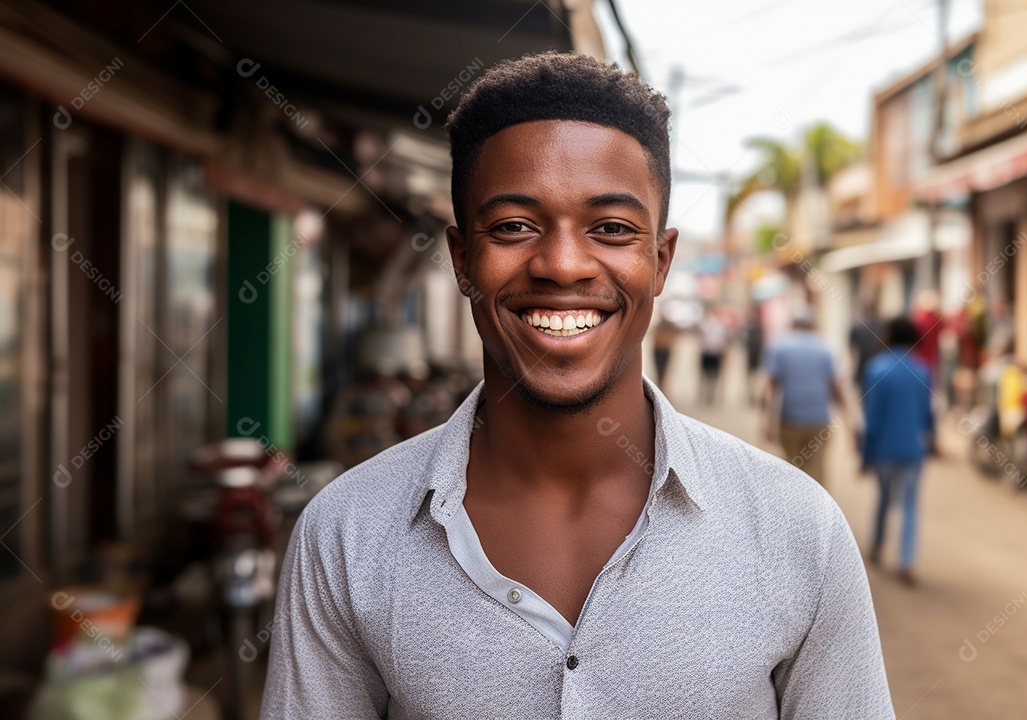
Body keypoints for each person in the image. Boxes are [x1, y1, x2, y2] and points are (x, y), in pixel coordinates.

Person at [260, 53, 893, 719]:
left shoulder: (799, 532)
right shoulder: (345, 536)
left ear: (661, 259)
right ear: (462, 258)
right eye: (513, 226)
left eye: (612, 229)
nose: (562, 264)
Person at [861, 317, 935, 587]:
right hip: (913, 449)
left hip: (883, 449)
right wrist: (932, 440)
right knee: (909, 505)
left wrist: (865, 455)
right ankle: (907, 561)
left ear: (889, 336)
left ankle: (878, 546)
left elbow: (872, 419)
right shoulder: (924, 369)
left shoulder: (875, 369)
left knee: (883, 499)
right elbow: (928, 415)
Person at [763, 311, 844, 485]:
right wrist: (848, 418)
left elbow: (770, 389)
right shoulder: (825, 348)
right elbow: (836, 386)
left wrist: (768, 423)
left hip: (789, 420)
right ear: (813, 326)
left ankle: (794, 508)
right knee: (817, 471)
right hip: (819, 421)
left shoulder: (779, 347)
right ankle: (817, 509)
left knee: (792, 469)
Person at [697, 306, 729, 404]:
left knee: (711, 374)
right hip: (709, 352)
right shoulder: (711, 324)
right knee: (709, 374)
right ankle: (707, 393)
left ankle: (709, 393)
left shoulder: (719, 325)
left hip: (714, 352)